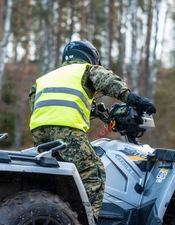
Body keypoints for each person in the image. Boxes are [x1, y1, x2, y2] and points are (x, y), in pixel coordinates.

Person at [29, 40, 156, 221]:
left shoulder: (44, 79)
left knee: (58, 176)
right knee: (93, 173)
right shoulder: (87, 69)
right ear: (90, 57)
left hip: (39, 133)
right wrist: (133, 99)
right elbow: (107, 81)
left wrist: (99, 111)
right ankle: (85, 220)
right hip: (67, 131)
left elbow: (47, 102)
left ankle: (59, 214)